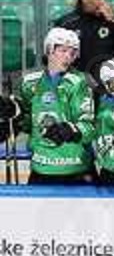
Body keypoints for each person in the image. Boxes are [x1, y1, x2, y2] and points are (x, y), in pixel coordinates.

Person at [0, 28, 95, 185]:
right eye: (63, 51)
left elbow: (89, 128)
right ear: (49, 50)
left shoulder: (80, 83)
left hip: (76, 170)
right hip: (41, 169)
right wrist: (12, 120)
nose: (68, 57)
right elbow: (30, 123)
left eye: (72, 53)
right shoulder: (30, 83)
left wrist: (71, 130)